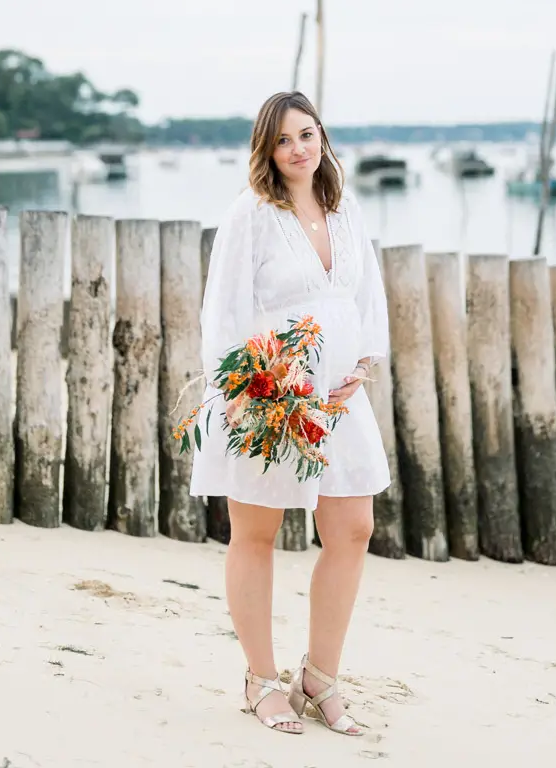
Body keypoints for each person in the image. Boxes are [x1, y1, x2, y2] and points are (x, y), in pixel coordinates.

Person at [190, 90, 391, 737]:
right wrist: (249, 388)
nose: (298, 148)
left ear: (322, 138)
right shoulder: (249, 215)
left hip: (339, 399)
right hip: (269, 398)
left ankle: (320, 679)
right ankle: (260, 679)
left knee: (353, 527)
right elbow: (221, 312)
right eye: (283, 140)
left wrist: (363, 362)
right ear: (266, 151)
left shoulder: (344, 208)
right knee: (257, 533)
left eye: (307, 134)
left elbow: (365, 297)